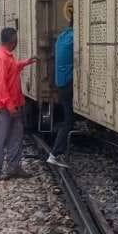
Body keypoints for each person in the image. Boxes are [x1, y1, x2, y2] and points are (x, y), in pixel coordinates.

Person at [0, 27, 39, 180]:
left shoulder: (7, 56)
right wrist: (10, 106)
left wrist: (26, 62)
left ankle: (14, 167)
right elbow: (1, 85)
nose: (17, 41)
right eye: (16, 39)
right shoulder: (1, 58)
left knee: (16, 136)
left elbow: (13, 69)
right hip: (4, 106)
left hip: (14, 103)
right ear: (12, 41)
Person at [49, 11, 75, 168]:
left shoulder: (62, 36)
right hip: (67, 84)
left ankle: (59, 152)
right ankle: (55, 154)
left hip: (61, 83)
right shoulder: (74, 38)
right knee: (68, 122)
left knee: (68, 120)